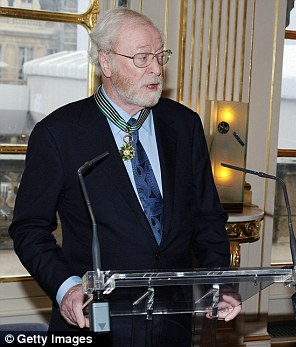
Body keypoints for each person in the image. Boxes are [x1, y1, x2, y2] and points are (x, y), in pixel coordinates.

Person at [9, 7, 240, 346]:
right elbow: (29, 228)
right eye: (143, 58)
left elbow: (207, 217)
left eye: (161, 56)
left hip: (172, 326)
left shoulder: (184, 125)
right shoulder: (59, 134)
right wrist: (67, 287)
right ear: (106, 63)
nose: (157, 70)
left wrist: (219, 285)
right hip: (93, 322)